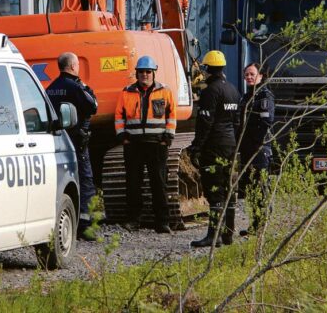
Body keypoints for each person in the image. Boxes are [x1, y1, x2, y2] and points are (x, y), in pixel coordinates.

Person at [114, 55, 177, 234]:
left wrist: (168, 137)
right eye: (141, 72)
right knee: (133, 183)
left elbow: (172, 114)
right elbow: (119, 115)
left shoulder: (165, 91)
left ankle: (162, 222)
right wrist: (122, 136)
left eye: (148, 72)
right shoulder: (126, 92)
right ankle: (134, 220)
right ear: (137, 73)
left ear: (153, 73)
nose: (145, 75)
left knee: (159, 183)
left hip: (157, 145)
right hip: (133, 145)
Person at [188, 50, 241, 247]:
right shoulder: (233, 90)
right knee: (229, 189)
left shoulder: (211, 91)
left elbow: (205, 122)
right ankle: (227, 234)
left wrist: (197, 147)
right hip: (230, 145)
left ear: (208, 69)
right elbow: (237, 122)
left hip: (214, 146)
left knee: (215, 190)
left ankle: (213, 236)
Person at [46, 52, 99, 240]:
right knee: (85, 181)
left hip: (58, 142)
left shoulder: (51, 88)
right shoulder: (76, 87)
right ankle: (85, 226)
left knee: (61, 182)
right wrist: (86, 88)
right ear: (73, 66)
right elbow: (93, 106)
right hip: (78, 142)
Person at [237, 62, 275, 236]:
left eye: (252, 74)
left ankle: (262, 224)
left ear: (260, 76)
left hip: (259, 148)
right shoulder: (245, 97)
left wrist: (251, 137)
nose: (249, 77)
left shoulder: (264, 96)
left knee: (261, 187)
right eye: (247, 75)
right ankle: (256, 223)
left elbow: (265, 122)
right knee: (251, 188)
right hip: (246, 149)